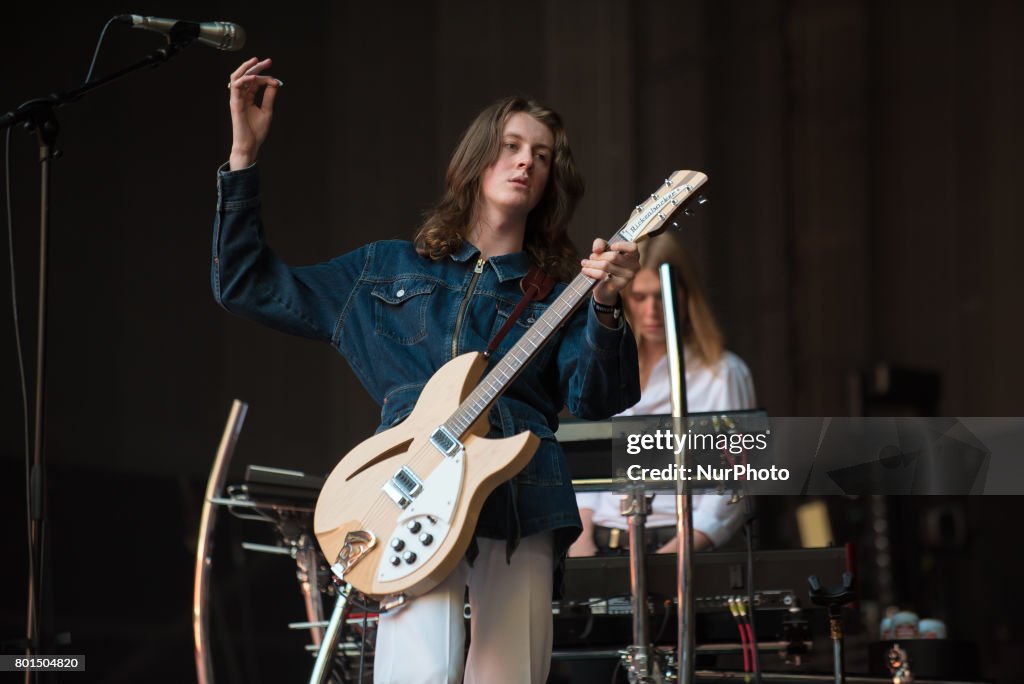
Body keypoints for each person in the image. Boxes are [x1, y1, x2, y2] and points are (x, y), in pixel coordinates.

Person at [214, 57, 641, 683]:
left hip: (522, 495)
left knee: (508, 676)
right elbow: (247, 285)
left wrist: (606, 305)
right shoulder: (384, 270)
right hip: (409, 493)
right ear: (477, 160)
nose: (526, 162)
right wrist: (243, 157)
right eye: (512, 146)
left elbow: (599, 398)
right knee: (416, 672)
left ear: (552, 180)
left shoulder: (561, 292)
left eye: (542, 156)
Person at [569, 232, 756, 557]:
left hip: (682, 548)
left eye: (662, 296)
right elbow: (590, 468)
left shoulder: (722, 373)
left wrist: (672, 558)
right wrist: (581, 542)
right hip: (603, 544)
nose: (652, 310)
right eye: (640, 297)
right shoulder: (608, 366)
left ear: (686, 296)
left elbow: (733, 488)